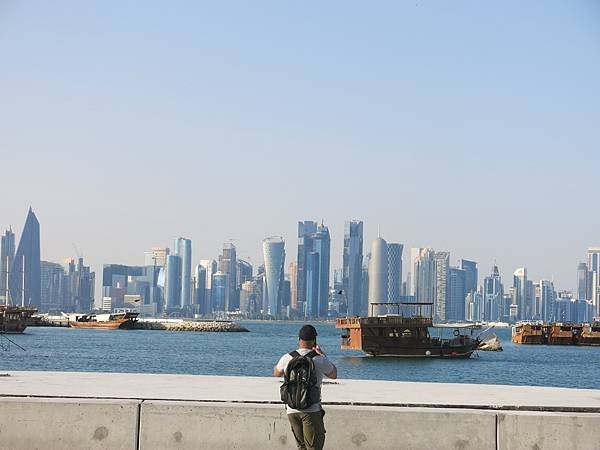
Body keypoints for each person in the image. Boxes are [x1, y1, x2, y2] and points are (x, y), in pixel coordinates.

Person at [274, 324, 337, 450]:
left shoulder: (288, 357)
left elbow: (276, 373)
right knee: (314, 447)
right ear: (314, 341)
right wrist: (323, 355)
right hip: (311, 409)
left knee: (302, 447)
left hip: (291, 409)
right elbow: (333, 374)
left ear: (299, 340)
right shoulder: (319, 359)